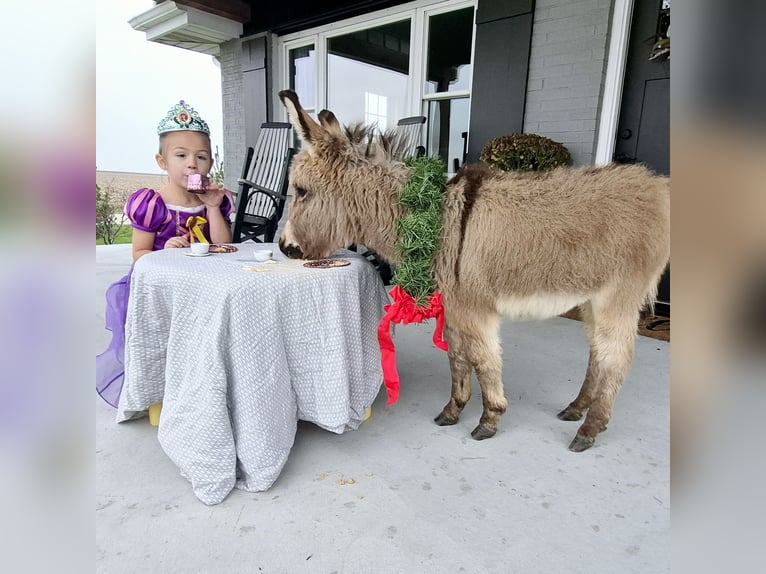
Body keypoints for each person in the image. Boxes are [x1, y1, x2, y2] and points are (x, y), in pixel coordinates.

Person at [96, 101, 233, 408]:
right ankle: (159, 391)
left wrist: (212, 207)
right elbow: (140, 253)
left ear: (210, 163)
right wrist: (164, 252)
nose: (192, 164)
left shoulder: (214, 201)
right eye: (181, 155)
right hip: (159, 289)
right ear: (162, 161)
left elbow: (224, 246)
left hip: (198, 283)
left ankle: (203, 384)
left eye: (201, 157)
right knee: (164, 343)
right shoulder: (152, 203)